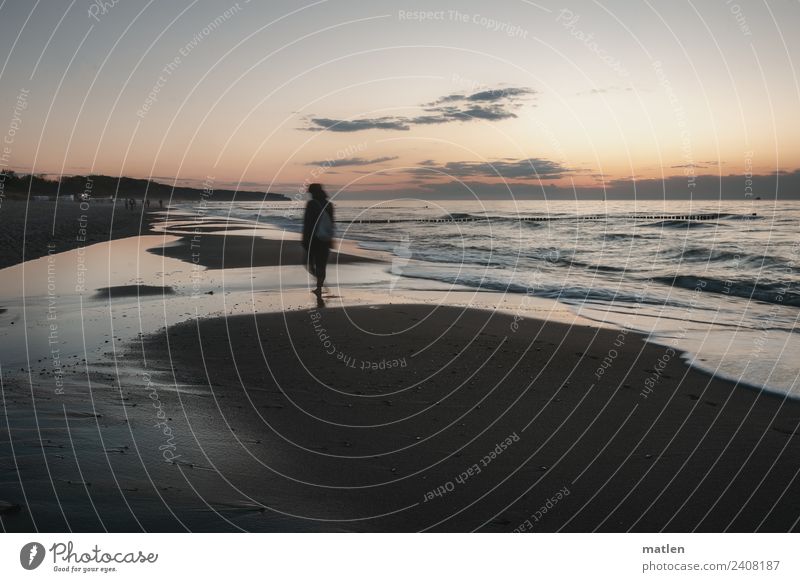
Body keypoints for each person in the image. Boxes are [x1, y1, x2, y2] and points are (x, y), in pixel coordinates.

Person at [302, 183, 334, 297]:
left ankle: (320, 284)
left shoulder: (311, 204)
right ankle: (319, 286)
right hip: (325, 239)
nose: (310, 195)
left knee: (309, 263)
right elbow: (331, 224)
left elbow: (308, 223)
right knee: (321, 264)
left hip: (313, 239)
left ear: (313, 193)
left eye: (310, 193)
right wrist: (331, 239)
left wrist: (305, 239)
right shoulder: (329, 205)